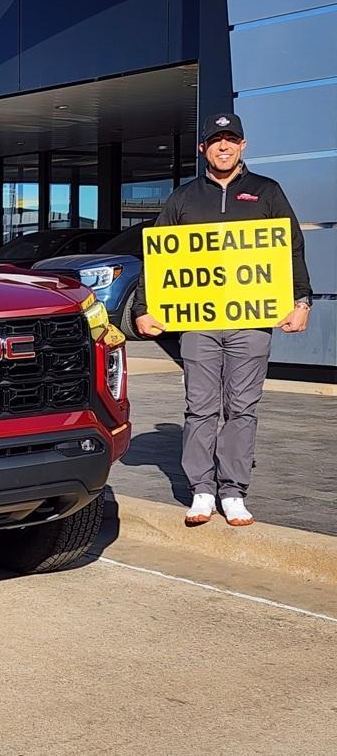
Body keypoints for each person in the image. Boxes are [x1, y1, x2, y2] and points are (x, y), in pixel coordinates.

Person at [132, 112, 313, 527]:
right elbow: (158, 259)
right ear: (203, 149)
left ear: (243, 145)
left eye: (231, 139)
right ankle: (201, 490)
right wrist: (144, 309)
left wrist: (301, 301)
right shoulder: (183, 198)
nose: (223, 146)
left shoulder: (267, 192)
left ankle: (233, 491)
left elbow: (292, 249)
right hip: (200, 324)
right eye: (216, 140)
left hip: (251, 321)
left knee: (242, 408)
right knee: (200, 408)